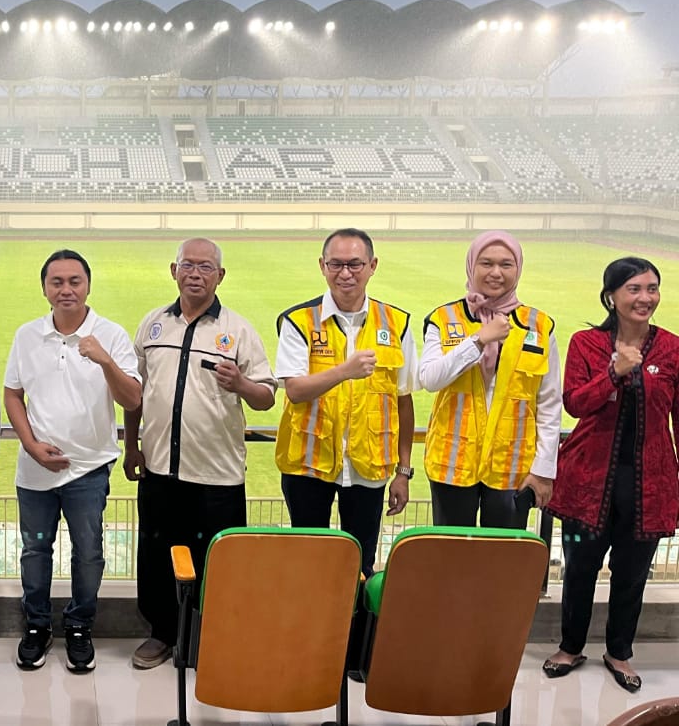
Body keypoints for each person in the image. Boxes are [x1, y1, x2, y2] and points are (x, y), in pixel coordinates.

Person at [122, 238, 276, 669]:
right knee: (157, 557)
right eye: (188, 265)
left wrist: (241, 384)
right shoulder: (153, 324)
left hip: (217, 477)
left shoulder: (238, 329)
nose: (195, 274)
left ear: (220, 276)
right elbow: (134, 393)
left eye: (206, 267)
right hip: (159, 470)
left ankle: (213, 639)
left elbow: (266, 397)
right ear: (174, 271)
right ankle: (161, 634)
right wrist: (132, 445)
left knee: (218, 564)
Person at [543, 257, 678, 693]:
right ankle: (570, 647)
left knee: (632, 573)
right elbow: (575, 403)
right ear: (612, 296)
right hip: (587, 483)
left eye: (652, 288)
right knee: (579, 567)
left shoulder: (672, 349)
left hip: (649, 485)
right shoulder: (587, 344)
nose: (645, 298)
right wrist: (613, 373)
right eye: (634, 289)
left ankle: (619, 652)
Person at [4, 249, 141, 673]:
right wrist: (30, 444)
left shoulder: (111, 335)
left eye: (74, 281)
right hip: (35, 470)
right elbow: (13, 394)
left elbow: (132, 399)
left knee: (88, 553)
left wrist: (105, 361)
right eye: (57, 282)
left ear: (88, 285)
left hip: (89, 468)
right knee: (34, 550)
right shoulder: (27, 335)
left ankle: (80, 626)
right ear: (45, 288)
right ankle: (37, 625)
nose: (66, 289)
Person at [273, 228, 415, 579]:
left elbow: (403, 400)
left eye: (355, 264)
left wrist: (403, 472)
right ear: (322, 266)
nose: (345, 273)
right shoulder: (298, 321)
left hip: (369, 467)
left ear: (372, 266)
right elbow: (295, 390)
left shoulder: (397, 324)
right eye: (336, 264)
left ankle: (355, 618)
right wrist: (344, 371)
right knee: (309, 565)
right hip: (308, 466)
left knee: (360, 566)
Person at [420, 230, 560, 529]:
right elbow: (430, 379)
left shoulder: (539, 326)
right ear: (472, 266)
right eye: (486, 263)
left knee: (502, 554)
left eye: (506, 264)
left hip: (512, 466)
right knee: (452, 550)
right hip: (453, 464)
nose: (496, 273)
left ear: (518, 269)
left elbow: (549, 403)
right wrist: (478, 340)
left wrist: (544, 470)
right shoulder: (444, 318)